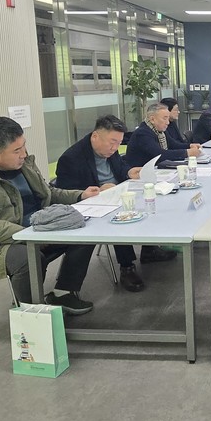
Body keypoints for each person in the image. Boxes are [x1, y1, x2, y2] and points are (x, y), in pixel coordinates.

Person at [0, 117, 100, 314]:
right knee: (27, 258)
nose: (24, 154)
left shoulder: (21, 163)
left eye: (24, 146)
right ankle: (30, 314)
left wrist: (80, 195)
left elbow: (47, 193)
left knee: (85, 232)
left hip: (31, 231)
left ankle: (63, 293)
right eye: (17, 150)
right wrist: (28, 235)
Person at [55, 115, 174, 293]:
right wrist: (98, 191)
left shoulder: (110, 150)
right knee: (121, 216)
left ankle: (149, 249)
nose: (115, 148)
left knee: (150, 201)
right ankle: (127, 267)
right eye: (112, 142)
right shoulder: (71, 158)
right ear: (95, 136)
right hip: (95, 207)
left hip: (117, 195)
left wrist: (129, 172)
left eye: (118, 143)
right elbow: (66, 193)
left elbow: (119, 167)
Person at [125, 102, 202, 168]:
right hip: (141, 173)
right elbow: (160, 155)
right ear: (152, 119)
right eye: (164, 118)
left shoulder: (159, 130)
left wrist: (190, 146)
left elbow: (173, 144)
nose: (167, 122)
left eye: (168, 119)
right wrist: (187, 153)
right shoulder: (142, 133)